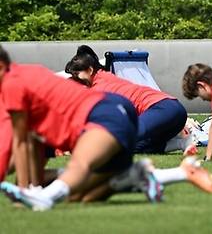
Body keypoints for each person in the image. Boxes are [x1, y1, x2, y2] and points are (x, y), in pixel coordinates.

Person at [0, 45, 162, 210]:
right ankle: (134, 174)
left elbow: (18, 143)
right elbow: (27, 142)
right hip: (114, 110)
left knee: (79, 164)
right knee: (81, 197)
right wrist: (30, 187)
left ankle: (45, 198)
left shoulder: (11, 84)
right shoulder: (27, 75)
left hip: (103, 111)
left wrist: (22, 191)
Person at [65, 45, 191, 155]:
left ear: (90, 70)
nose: (75, 79)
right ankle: (182, 143)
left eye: (76, 75)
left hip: (162, 108)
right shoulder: (105, 76)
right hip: (175, 111)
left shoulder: (99, 88)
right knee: (132, 147)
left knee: (121, 140)